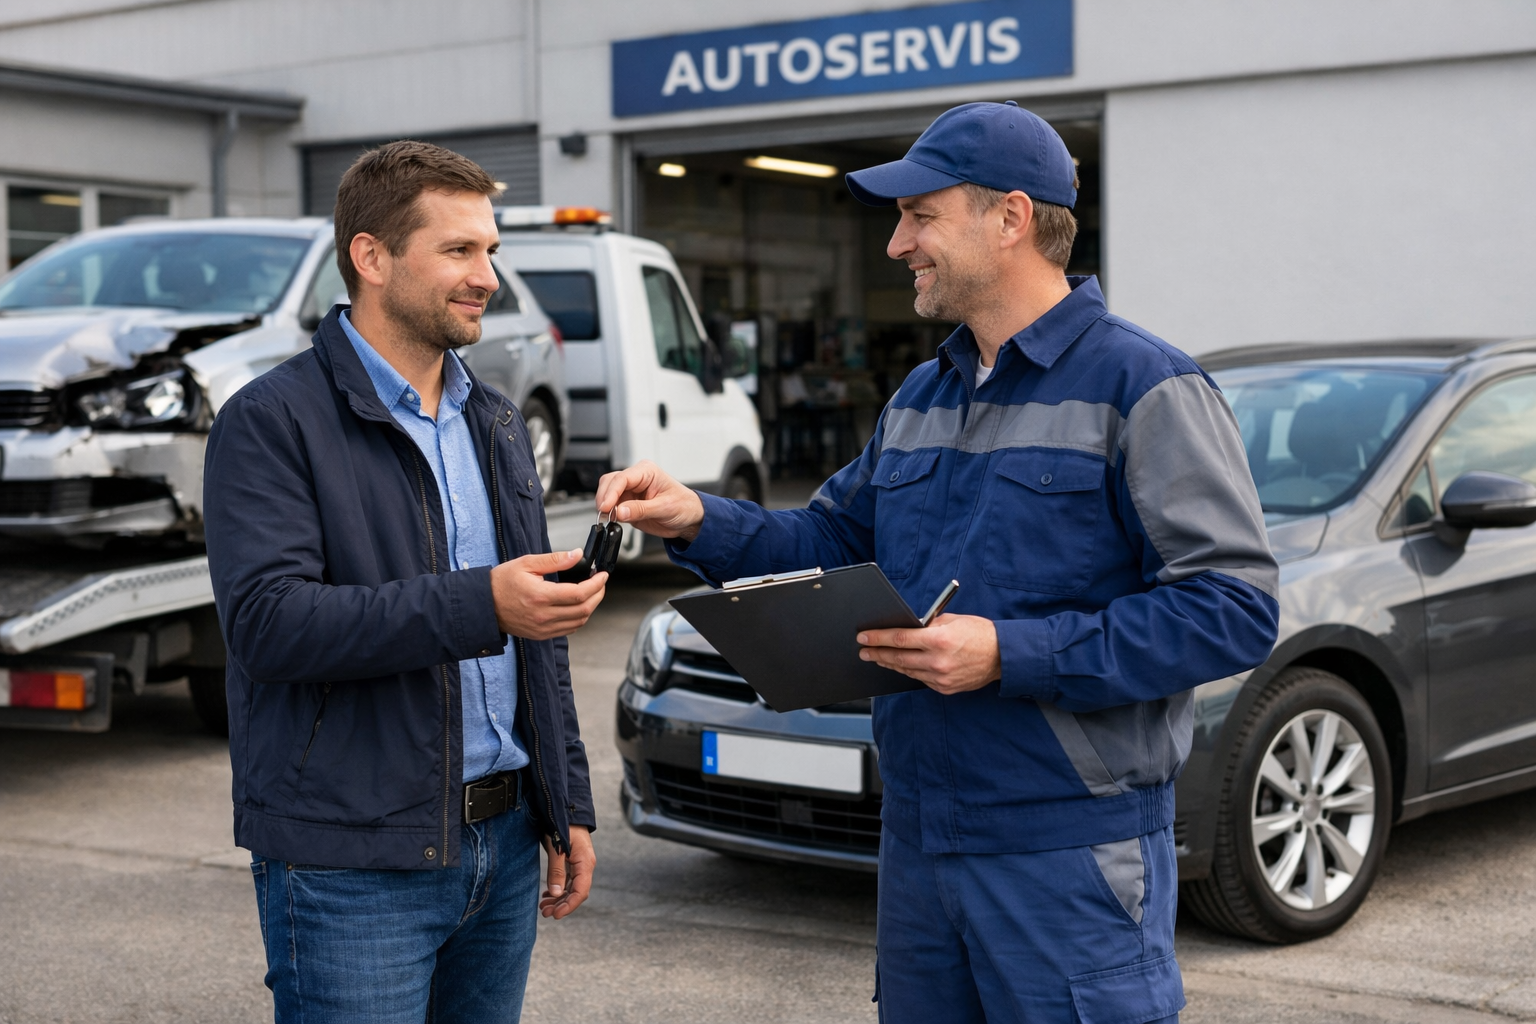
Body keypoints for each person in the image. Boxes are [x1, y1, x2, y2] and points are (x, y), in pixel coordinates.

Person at [596, 102, 1279, 1024]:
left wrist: (1010, 653)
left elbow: (1231, 608)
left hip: (1065, 853)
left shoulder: (1145, 387)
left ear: (1010, 219)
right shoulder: (922, 396)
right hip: (918, 839)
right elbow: (833, 544)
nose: (896, 244)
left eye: (920, 215)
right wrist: (697, 520)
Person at [204, 141, 605, 1023]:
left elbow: (536, 647)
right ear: (373, 258)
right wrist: (483, 602)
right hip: (354, 860)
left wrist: (564, 800)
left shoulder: (494, 420)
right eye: (459, 251)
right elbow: (270, 626)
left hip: (500, 845)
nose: (488, 277)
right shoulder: (270, 422)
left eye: (490, 250)